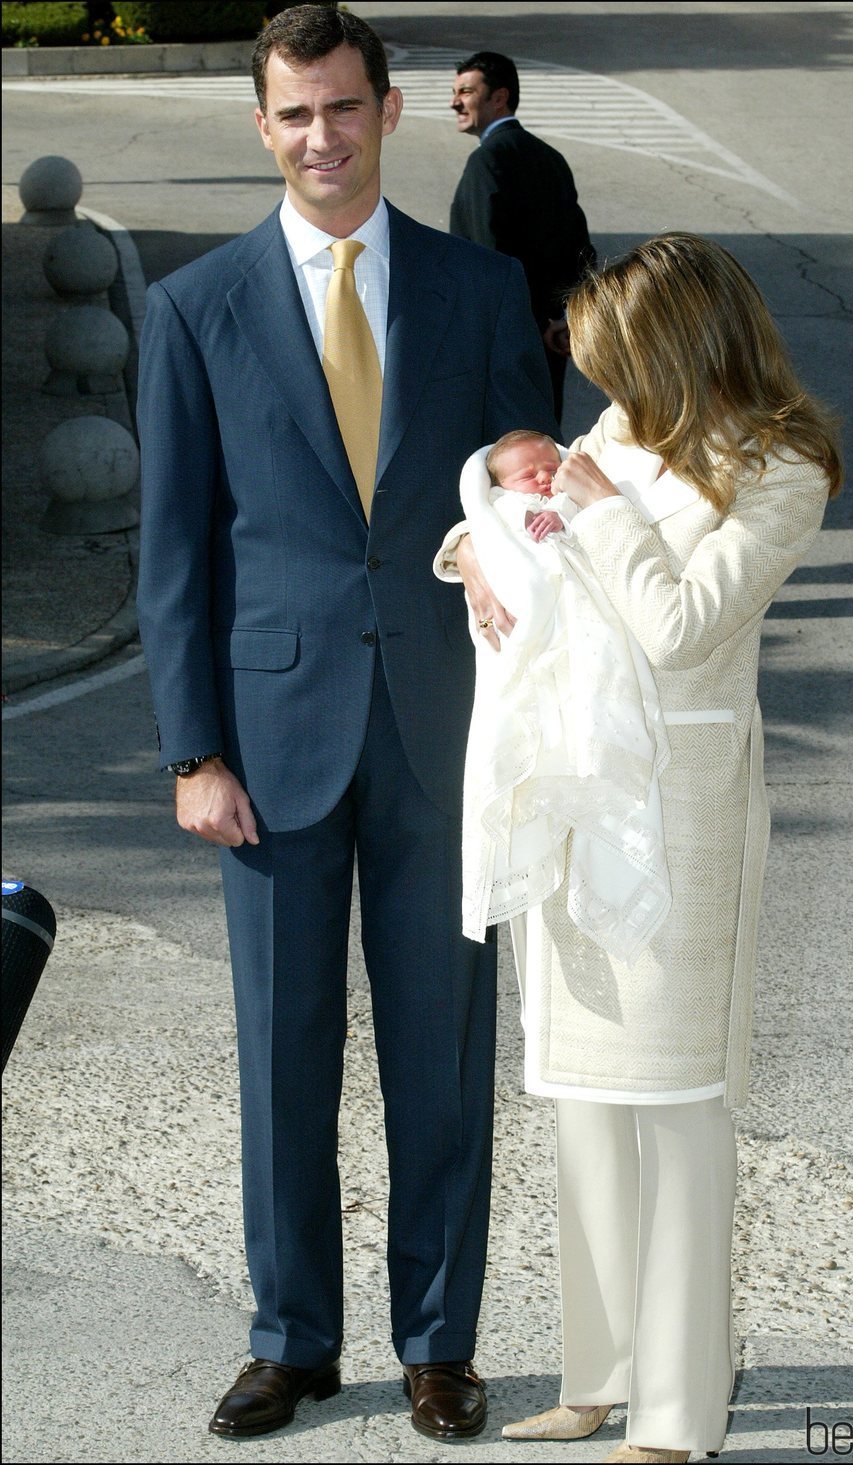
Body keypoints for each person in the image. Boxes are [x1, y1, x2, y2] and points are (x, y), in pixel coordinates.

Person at [135, 3, 557, 1444]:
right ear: (263, 127)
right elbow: (175, 549)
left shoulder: (483, 290)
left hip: (450, 735)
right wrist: (193, 751)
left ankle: (441, 1342)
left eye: (342, 106)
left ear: (385, 109)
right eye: (292, 113)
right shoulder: (194, 310)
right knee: (282, 1052)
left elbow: (522, 508)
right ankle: (292, 1339)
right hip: (265, 744)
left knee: (442, 1052)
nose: (321, 136)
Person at [443, 233, 843, 1463]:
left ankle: (677, 1408)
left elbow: (676, 626)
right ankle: (596, 1373)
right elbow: (515, 510)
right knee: (580, 1106)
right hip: (571, 796)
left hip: (680, 816)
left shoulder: (779, 469)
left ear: (677, 348)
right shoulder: (612, 434)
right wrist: (472, 557)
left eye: (620, 360)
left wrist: (599, 513)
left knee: (675, 1112)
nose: (601, 389)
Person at [450, 51, 596, 423]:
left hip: (504, 340)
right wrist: (564, 318)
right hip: (552, 336)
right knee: (546, 439)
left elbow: (485, 256)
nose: (455, 102)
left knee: (508, 452)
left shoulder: (487, 163)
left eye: (466, 91)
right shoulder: (550, 157)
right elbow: (577, 245)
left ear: (498, 97)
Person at [487, 429, 571, 540]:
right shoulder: (504, 497)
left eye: (553, 470)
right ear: (500, 485)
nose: (545, 477)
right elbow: (499, 506)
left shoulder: (568, 494)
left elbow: (580, 506)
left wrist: (560, 515)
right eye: (528, 476)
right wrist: (524, 516)